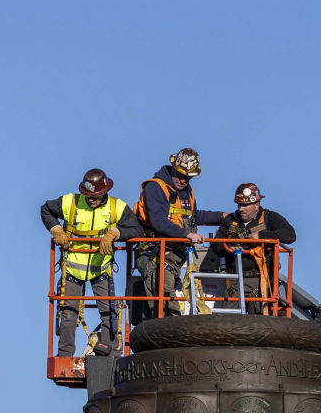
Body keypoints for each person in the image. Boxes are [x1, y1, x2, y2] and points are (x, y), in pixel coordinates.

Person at [40, 169, 141, 357]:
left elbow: (136, 229)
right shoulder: (71, 202)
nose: (91, 200)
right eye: (88, 196)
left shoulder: (116, 207)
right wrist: (57, 231)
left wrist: (114, 234)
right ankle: (65, 356)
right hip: (72, 268)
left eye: (95, 197)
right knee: (69, 313)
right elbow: (46, 209)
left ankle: (110, 355)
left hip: (101, 268)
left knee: (109, 312)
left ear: (104, 193)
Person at [132, 149, 224, 324]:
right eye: (180, 175)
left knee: (165, 294)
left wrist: (222, 217)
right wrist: (186, 234)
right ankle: (168, 334)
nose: (183, 180)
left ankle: (164, 331)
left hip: (176, 254)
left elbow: (194, 215)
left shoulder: (186, 192)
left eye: (188, 177)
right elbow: (158, 221)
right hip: (155, 253)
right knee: (163, 293)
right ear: (173, 168)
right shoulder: (155, 188)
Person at [203, 184, 296, 314]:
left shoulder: (269, 218)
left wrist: (262, 236)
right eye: (239, 205)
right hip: (234, 280)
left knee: (260, 324)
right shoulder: (230, 221)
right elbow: (217, 245)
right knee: (225, 324)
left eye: (245, 205)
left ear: (257, 205)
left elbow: (290, 235)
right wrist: (229, 246)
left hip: (259, 280)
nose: (241, 209)